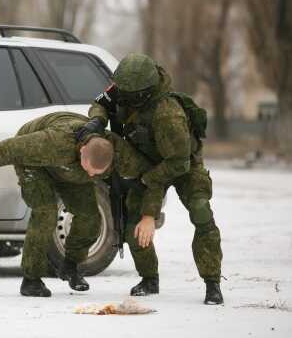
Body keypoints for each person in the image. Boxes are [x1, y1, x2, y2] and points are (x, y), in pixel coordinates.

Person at [80, 53, 224, 305]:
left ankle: (212, 283)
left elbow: (178, 163)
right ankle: (149, 278)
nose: (121, 97)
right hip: (147, 161)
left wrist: (151, 202)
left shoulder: (168, 115)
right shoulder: (124, 87)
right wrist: (97, 120)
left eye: (127, 95)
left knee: (201, 213)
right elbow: (101, 101)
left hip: (182, 164)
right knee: (132, 223)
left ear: (143, 94)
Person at [0, 111, 151, 297]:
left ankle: (70, 267)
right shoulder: (53, 142)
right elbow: (8, 149)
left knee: (90, 216)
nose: (92, 176)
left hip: (70, 169)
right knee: (46, 213)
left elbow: (150, 174)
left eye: (97, 173)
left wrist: (150, 213)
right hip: (35, 164)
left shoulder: (117, 151)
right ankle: (31, 280)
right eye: (90, 169)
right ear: (83, 151)